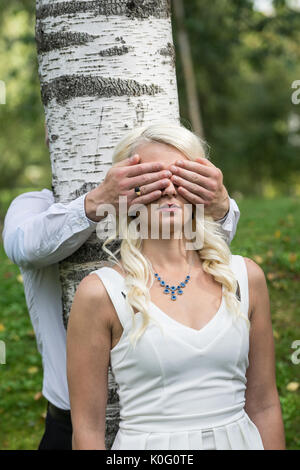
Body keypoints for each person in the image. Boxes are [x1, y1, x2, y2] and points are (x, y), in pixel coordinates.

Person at [1, 124, 239, 450]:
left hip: (173, 424)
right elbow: (24, 246)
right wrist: (99, 201)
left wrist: (220, 207)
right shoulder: (33, 206)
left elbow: (200, 253)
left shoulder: (166, 208)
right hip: (73, 425)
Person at [67, 122, 285, 450]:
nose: (169, 190)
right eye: (152, 180)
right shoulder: (102, 293)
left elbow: (265, 405)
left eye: (181, 178)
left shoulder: (244, 278)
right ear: (126, 193)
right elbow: (87, 430)